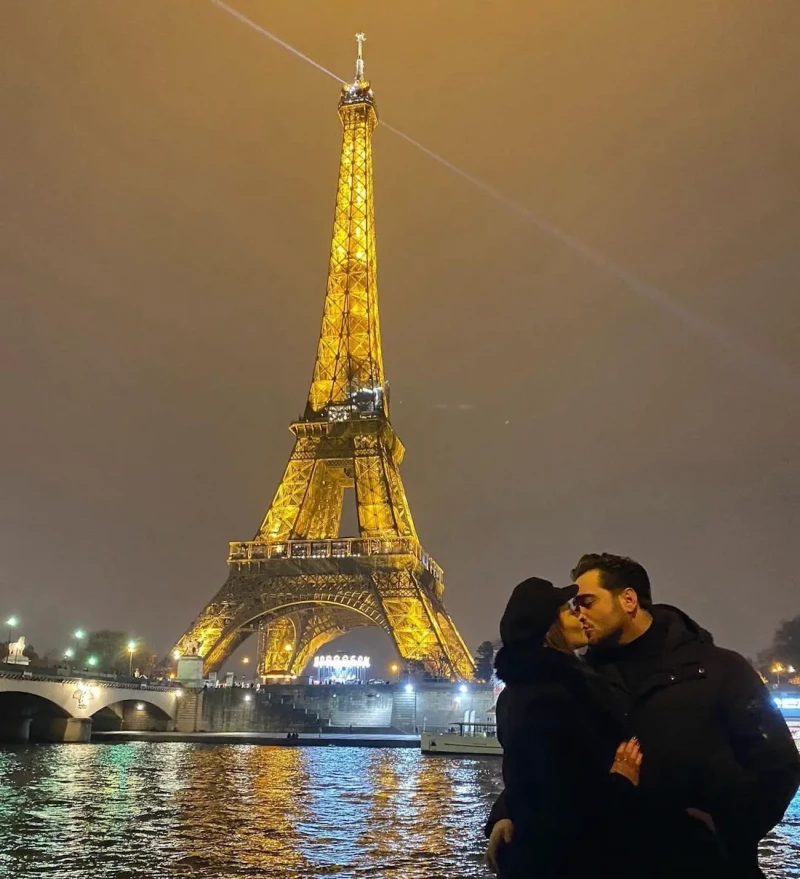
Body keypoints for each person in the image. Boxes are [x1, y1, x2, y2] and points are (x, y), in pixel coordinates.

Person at [487, 554, 800, 878]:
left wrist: (722, 833)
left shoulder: (721, 669)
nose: (578, 612)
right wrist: (506, 813)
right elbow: (553, 766)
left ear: (628, 599)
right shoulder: (573, 678)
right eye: (573, 605)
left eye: (587, 601)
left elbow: (778, 765)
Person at [486, 576, 644, 879]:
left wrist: (505, 814)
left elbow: (527, 781)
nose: (580, 615)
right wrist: (621, 782)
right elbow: (565, 804)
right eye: (571, 610)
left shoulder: (522, 692)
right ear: (549, 630)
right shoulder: (553, 698)